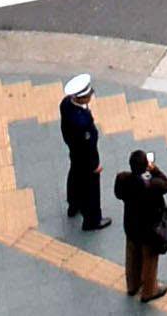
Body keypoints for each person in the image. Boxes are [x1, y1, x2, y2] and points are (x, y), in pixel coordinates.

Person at [114, 148, 167, 304]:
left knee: (132, 255)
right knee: (149, 259)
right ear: (145, 166)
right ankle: (149, 291)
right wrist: (155, 170)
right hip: (149, 230)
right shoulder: (152, 184)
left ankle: (132, 285)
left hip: (131, 226)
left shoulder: (122, 179)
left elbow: (118, 194)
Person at [59, 73, 110, 230]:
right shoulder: (82, 121)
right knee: (91, 189)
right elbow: (88, 146)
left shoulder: (66, 104)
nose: (90, 96)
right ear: (81, 98)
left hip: (74, 152)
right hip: (87, 158)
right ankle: (93, 220)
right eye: (88, 95)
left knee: (74, 175)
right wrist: (95, 165)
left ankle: (73, 205)